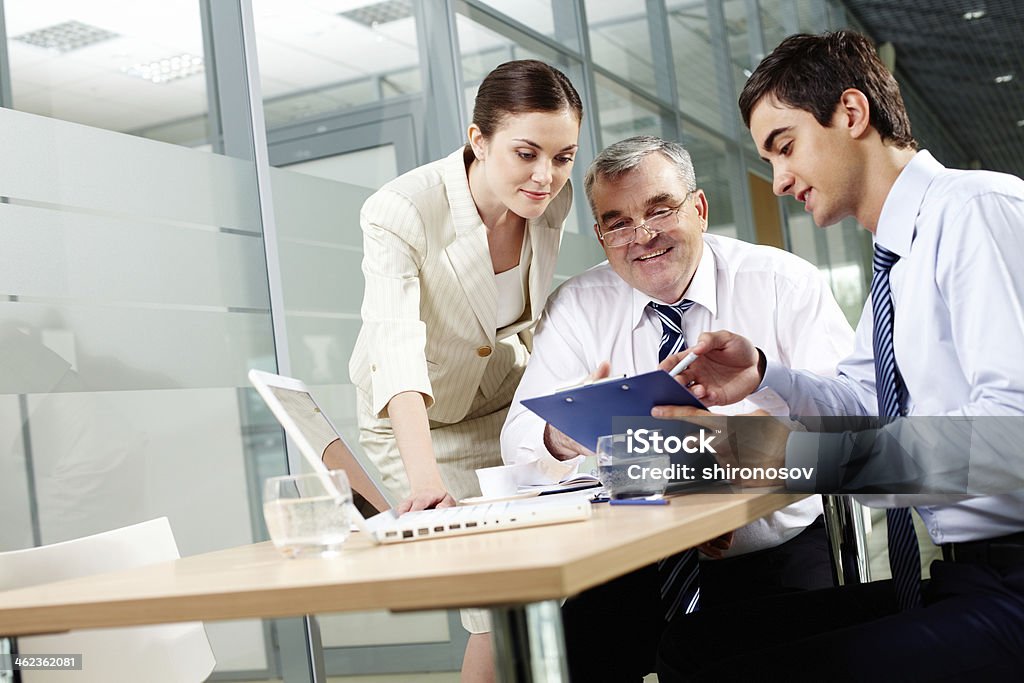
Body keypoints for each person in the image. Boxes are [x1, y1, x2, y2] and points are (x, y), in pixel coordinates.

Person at [654, 31, 1024, 681]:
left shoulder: (976, 213)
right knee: (694, 644)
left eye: (785, 146)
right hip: (970, 572)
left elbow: (1010, 441)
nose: (778, 181)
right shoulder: (896, 255)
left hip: (1013, 580)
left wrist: (777, 455)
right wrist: (768, 374)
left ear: (852, 114)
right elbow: (863, 399)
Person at [500, 135, 855, 680]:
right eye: (618, 222)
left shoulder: (783, 283)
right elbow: (520, 436)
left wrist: (717, 475)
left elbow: (843, 418)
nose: (642, 237)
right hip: (632, 557)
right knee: (555, 663)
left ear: (700, 208)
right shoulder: (577, 306)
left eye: (660, 210)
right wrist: (568, 432)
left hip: (770, 550)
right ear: (601, 236)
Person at [343, 59, 582, 683]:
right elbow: (393, 342)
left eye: (563, 157)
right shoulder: (401, 210)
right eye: (526, 152)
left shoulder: (550, 201)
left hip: (504, 404)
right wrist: (424, 482)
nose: (545, 176)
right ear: (478, 139)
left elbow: (525, 322)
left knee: (542, 580)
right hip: (420, 419)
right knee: (493, 597)